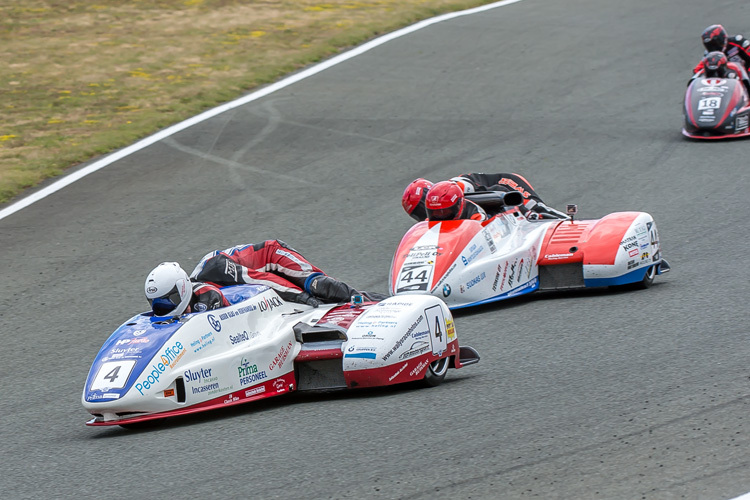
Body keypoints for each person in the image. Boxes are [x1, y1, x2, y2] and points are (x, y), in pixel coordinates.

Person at [145, 240, 366, 317]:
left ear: (182, 290)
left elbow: (264, 281)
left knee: (319, 288)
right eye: (156, 303)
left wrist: (308, 301)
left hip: (273, 258)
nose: (163, 307)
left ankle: (368, 302)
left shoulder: (215, 270)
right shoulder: (192, 301)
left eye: (168, 300)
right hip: (262, 278)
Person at [402, 172, 566, 222]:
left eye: (421, 207)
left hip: (504, 185)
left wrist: (518, 208)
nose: (422, 214)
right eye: (416, 213)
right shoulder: (439, 207)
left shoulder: (455, 190)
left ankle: (567, 222)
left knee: (534, 211)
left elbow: (498, 191)